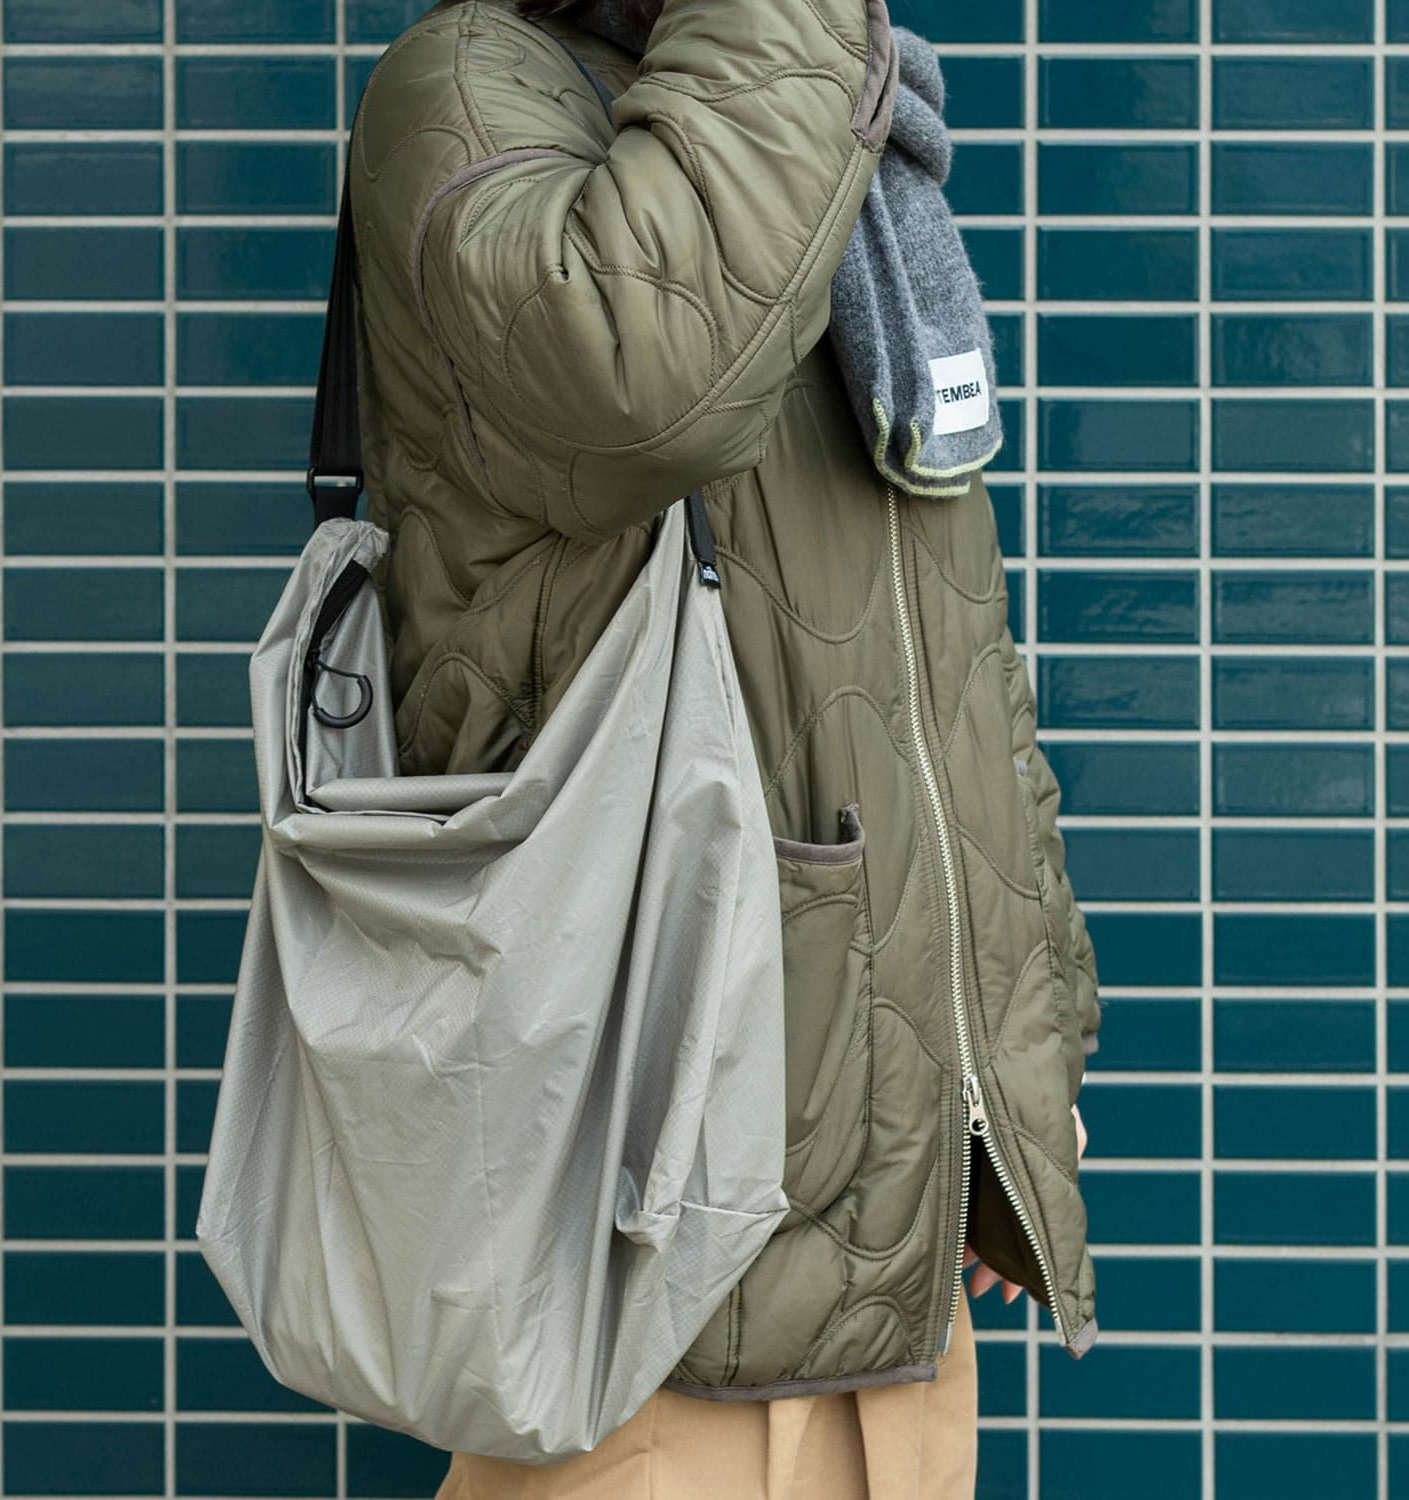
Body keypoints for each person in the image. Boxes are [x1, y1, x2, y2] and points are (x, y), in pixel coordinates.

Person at [345, 0, 1103, 1492]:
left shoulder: (841, 161)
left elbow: (949, 661)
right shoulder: (470, 91)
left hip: (893, 1252)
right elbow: (647, 385)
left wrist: (1002, 1083)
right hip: (656, 1269)